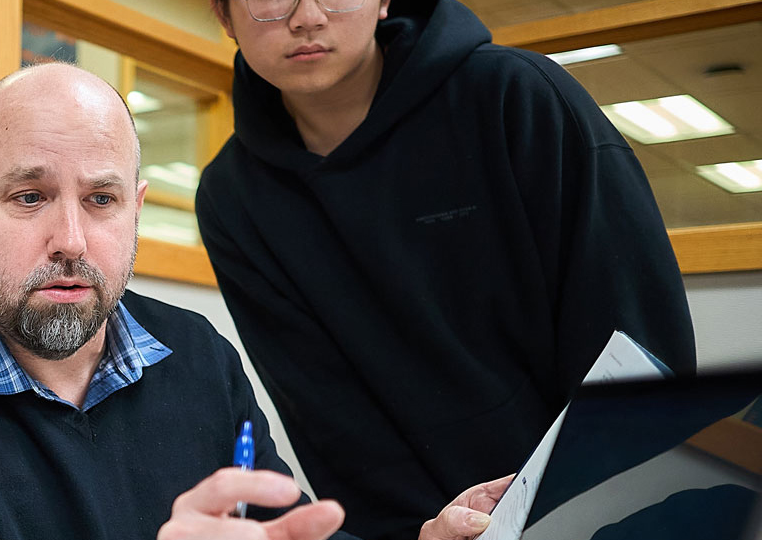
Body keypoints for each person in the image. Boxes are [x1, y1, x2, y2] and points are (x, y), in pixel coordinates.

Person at [0, 63, 507, 540]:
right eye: (29, 197)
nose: (71, 240)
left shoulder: (198, 356)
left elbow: (278, 532)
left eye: (101, 199)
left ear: (135, 211)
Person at [195, 0, 699, 537]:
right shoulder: (233, 198)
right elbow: (330, 422)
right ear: (223, 16)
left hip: (606, 505)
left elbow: (634, 331)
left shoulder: (515, 96)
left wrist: (607, 503)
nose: (308, 16)